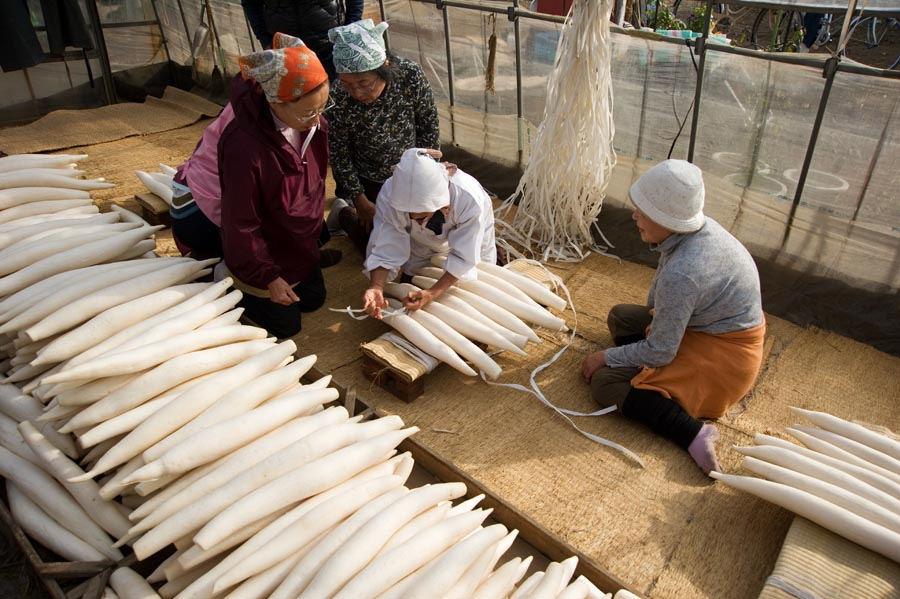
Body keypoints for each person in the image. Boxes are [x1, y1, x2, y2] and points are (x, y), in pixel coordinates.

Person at [581, 159, 765, 475]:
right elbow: (657, 303)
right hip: (709, 329)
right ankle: (646, 372)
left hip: (725, 360)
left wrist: (609, 357)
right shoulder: (696, 231)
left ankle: (692, 432)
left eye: (645, 210)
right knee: (621, 317)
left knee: (605, 383)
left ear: (670, 219)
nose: (634, 215)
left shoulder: (684, 273)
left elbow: (662, 350)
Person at [172, 33, 335, 339]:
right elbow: (241, 221)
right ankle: (222, 271)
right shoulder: (244, 146)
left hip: (270, 217)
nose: (316, 121)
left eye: (322, 108)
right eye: (307, 112)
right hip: (203, 213)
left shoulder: (311, 125)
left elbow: (309, 189)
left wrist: (307, 239)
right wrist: (268, 275)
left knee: (312, 299)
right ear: (275, 102)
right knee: (285, 328)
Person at [324, 19, 441, 254]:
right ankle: (345, 213)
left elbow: (429, 125)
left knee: (433, 234)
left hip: (412, 174)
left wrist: (428, 175)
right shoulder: (338, 95)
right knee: (380, 248)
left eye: (364, 83)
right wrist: (359, 199)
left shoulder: (409, 75)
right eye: (348, 84)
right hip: (371, 181)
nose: (356, 93)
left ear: (385, 66)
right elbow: (339, 151)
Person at [362, 148, 496, 318]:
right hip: (420, 243)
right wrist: (377, 286)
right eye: (410, 217)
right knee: (416, 277)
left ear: (442, 204)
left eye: (423, 216)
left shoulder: (468, 198)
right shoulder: (390, 194)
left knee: (476, 288)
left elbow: (465, 257)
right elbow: (385, 244)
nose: (416, 222)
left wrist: (432, 293)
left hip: (473, 235)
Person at [240, 0, 363, 80]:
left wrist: (349, 32)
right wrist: (265, 40)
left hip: (330, 46)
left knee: (336, 101)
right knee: (299, 108)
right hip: (286, 52)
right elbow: (251, 4)